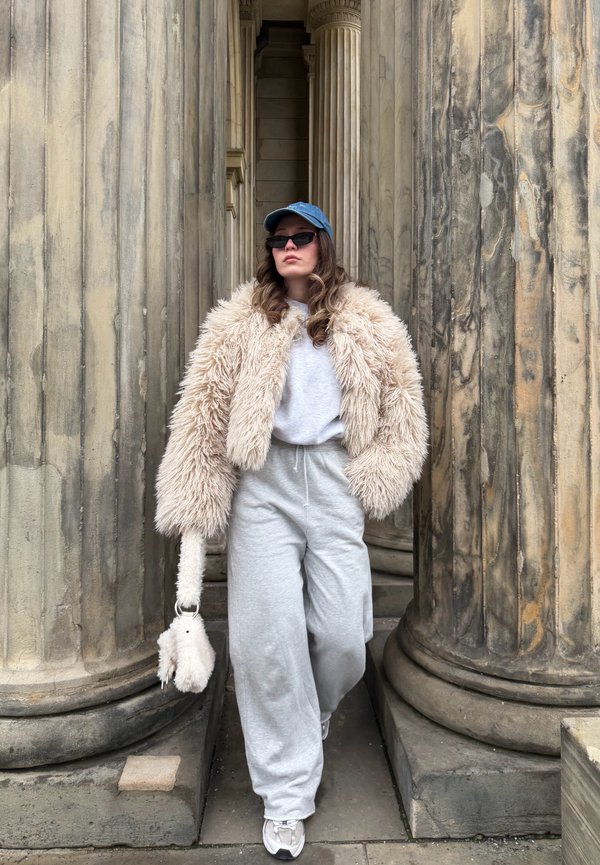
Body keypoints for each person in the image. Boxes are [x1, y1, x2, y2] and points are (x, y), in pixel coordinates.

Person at [155, 201, 428, 860]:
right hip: (264, 484)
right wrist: (195, 509)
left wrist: (377, 476)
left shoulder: (368, 321)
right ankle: (285, 794)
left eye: (302, 236)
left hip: (335, 481)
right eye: (279, 239)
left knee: (343, 635)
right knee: (265, 641)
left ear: (323, 245)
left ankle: (312, 712)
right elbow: (202, 414)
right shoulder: (239, 321)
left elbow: (404, 404)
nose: (289, 246)